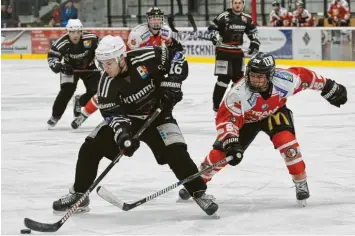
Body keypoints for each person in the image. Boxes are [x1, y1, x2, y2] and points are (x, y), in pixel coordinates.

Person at [52, 35, 218, 216]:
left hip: (159, 116)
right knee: (90, 147)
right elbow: (113, 116)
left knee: (176, 152)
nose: (104, 69)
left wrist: (173, 84)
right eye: (101, 64)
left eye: (108, 63)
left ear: (121, 58)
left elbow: (177, 56)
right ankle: (79, 194)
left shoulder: (147, 57)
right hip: (128, 119)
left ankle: (199, 193)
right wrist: (123, 136)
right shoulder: (106, 85)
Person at [178, 52, 347, 206]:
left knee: (288, 145)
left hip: (275, 114)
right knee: (220, 154)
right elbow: (226, 119)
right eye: (252, 76)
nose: (255, 80)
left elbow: (306, 77)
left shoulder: (286, 80)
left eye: (260, 77)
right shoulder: (238, 93)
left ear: (270, 75)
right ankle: (196, 182)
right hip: (246, 121)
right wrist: (231, 142)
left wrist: (329, 86)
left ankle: (300, 181)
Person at [71, 6, 182, 129]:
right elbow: (128, 55)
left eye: (158, 19)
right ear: (148, 20)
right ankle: (84, 114)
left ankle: (160, 115)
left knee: (162, 90)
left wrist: (174, 46)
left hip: (153, 68)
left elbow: (169, 50)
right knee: (108, 93)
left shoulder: (166, 31)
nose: (156, 22)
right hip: (136, 67)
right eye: (153, 19)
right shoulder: (138, 34)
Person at [208, 0, 260, 114]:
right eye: (235, 2)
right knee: (223, 80)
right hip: (223, 52)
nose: (237, 5)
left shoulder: (246, 18)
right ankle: (216, 105)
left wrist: (255, 42)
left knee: (239, 81)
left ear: (243, 5)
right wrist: (214, 36)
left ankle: (232, 103)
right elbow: (212, 28)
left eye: (239, 3)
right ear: (232, 4)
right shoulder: (223, 16)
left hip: (237, 53)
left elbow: (253, 32)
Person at [47, 19, 100, 128]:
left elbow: (104, 49)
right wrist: (59, 66)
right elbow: (52, 57)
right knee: (66, 92)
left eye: (77, 32)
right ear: (67, 32)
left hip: (89, 68)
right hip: (69, 70)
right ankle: (55, 116)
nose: (75, 35)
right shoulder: (61, 43)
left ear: (81, 32)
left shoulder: (92, 39)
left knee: (97, 91)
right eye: (72, 32)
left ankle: (80, 101)